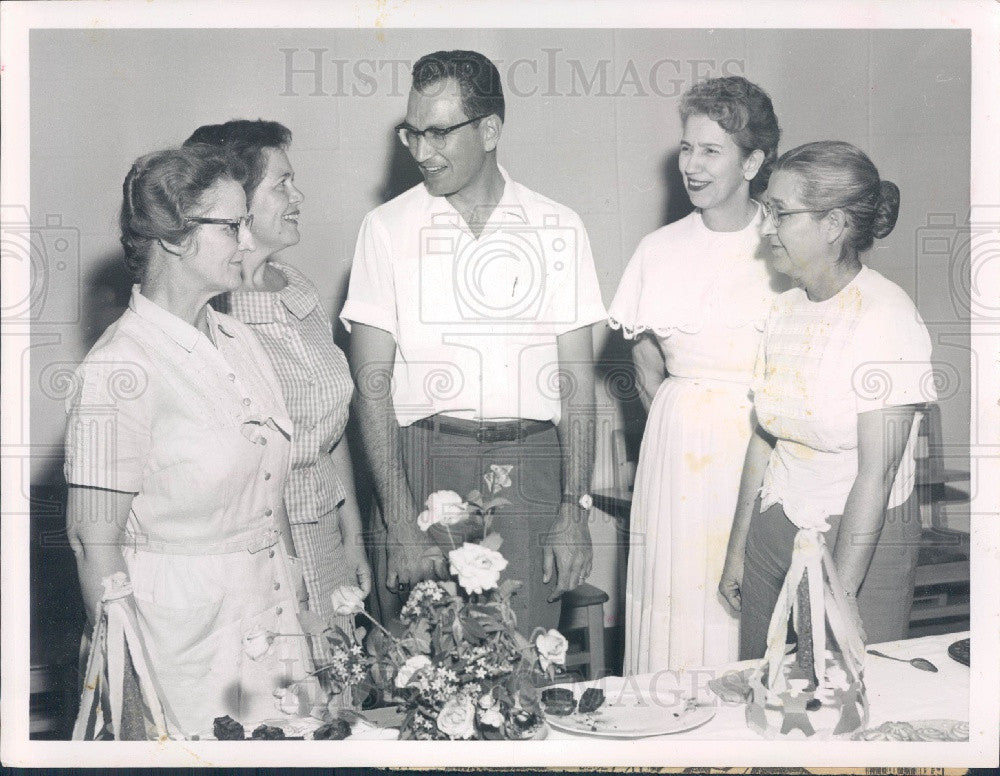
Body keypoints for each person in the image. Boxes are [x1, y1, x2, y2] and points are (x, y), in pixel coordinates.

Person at [341, 50, 607, 632]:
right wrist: (400, 521)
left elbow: (578, 384)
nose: (421, 152)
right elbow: (372, 388)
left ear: (490, 131)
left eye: (438, 133)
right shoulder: (385, 230)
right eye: (411, 133)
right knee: (426, 670)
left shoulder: (557, 226)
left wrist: (573, 509)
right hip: (423, 461)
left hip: (531, 466)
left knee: (523, 665)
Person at [64, 145, 318, 738]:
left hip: (267, 623)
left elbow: (266, 492)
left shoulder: (240, 342)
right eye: (232, 227)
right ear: (175, 237)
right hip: (176, 646)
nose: (249, 244)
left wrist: (296, 608)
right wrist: (128, 684)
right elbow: (90, 542)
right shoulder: (117, 370)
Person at [719, 141, 935, 657]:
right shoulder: (786, 308)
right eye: (766, 210)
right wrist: (737, 551)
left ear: (834, 224)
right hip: (775, 525)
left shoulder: (887, 317)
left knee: (844, 705)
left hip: (858, 538)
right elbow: (765, 439)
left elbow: (876, 474)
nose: (765, 227)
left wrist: (838, 595)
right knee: (761, 693)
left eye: (781, 213)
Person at [608, 76, 786, 673]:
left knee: (741, 601)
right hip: (678, 452)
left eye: (711, 150)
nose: (692, 165)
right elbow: (646, 367)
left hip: (762, 447)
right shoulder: (657, 250)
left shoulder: (783, 249)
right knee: (674, 595)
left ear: (753, 161)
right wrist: (688, 419)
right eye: (687, 148)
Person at [183, 121, 372, 643]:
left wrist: (354, 537)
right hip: (263, 546)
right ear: (236, 202)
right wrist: (286, 574)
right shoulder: (213, 313)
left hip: (327, 531)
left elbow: (333, 429)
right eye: (281, 184)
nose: (298, 195)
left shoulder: (296, 287)